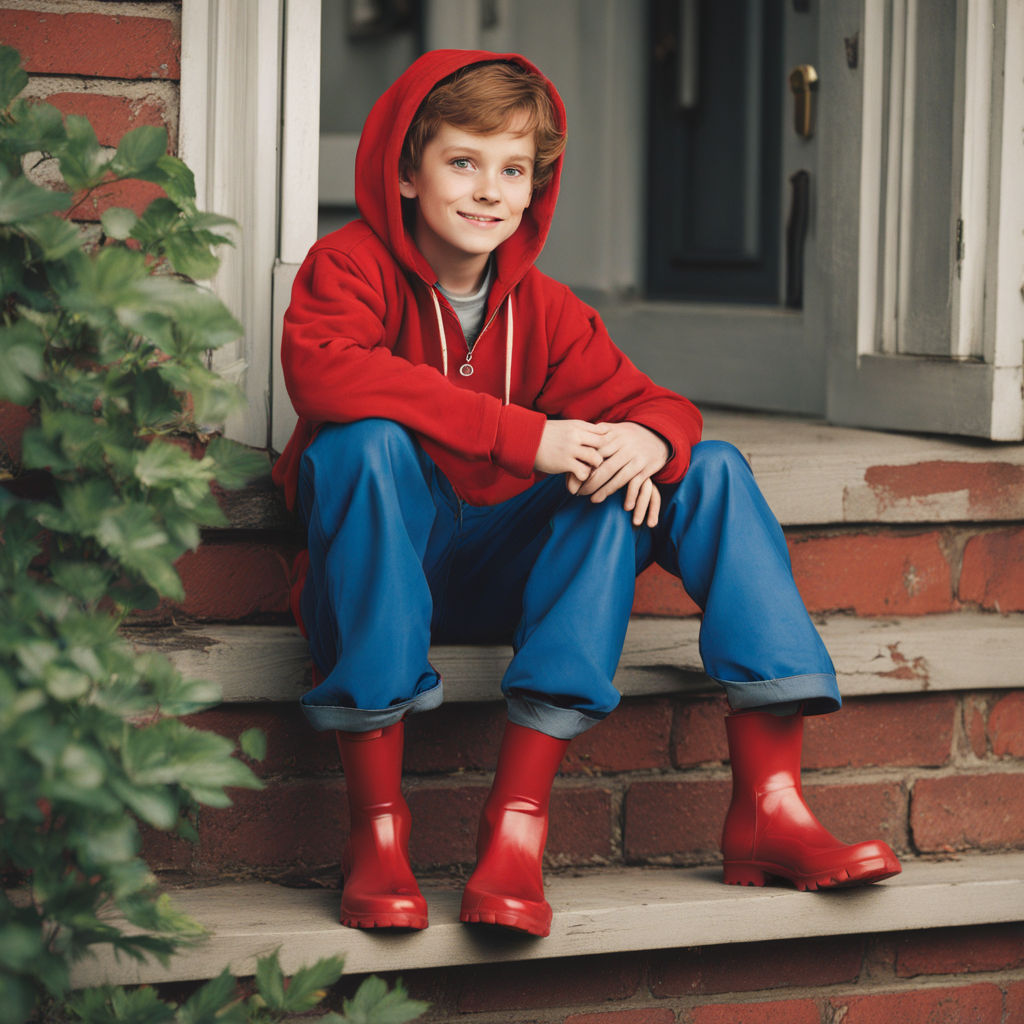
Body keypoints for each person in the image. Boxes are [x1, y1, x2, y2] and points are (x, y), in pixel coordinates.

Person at [272, 49, 900, 937]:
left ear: (536, 188)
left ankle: (750, 807)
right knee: (365, 442)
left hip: (498, 571)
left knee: (700, 464)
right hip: (381, 569)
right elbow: (324, 372)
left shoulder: (547, 307)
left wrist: (644, 440)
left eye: (515, 169)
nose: (490, 190)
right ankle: (377, 830)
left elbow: (660, 403)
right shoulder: (347, 267)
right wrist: (529, 437)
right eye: (464, 161)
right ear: (406, 171)